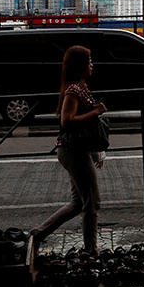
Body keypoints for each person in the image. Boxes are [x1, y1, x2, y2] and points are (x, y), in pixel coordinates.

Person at [30, 46, 107, 255]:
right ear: (81, 66)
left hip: (79, 150)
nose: (92, 65)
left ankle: (38, 233)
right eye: (89, 61)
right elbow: (67, 121)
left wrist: (95, 152)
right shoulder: (74, 90)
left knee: (78, 202)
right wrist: (96, 112)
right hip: (74, 151)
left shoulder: (81, 86)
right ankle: (91, 250)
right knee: (92, 202)